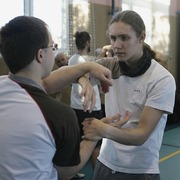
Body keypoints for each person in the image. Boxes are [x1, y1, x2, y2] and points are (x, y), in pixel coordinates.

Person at [0, 15, 129, 180]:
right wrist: (93, 136)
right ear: (41, 55)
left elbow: (44, 84)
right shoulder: (59, 115)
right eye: (52, 47)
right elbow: (65, 172)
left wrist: (87, 68)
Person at [82, 10, 176, 180]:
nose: (116, 45)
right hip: (105, 164)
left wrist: (103, 130)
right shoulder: (108, 66)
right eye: (113, 38)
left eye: (124, 38)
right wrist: (84, 80)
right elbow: (75, 72)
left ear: (141, 37)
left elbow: (141, 134)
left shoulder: (161, 79)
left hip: (140, 171)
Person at [68, 31, 103, 169]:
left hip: (76, 106)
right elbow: (98, 66)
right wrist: (103, 52)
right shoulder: (86, 61)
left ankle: (73, 172)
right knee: (96, 143)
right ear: (87, 42)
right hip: (90, 107)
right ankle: (97, 175)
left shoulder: (72, 59)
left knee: (80, 141)